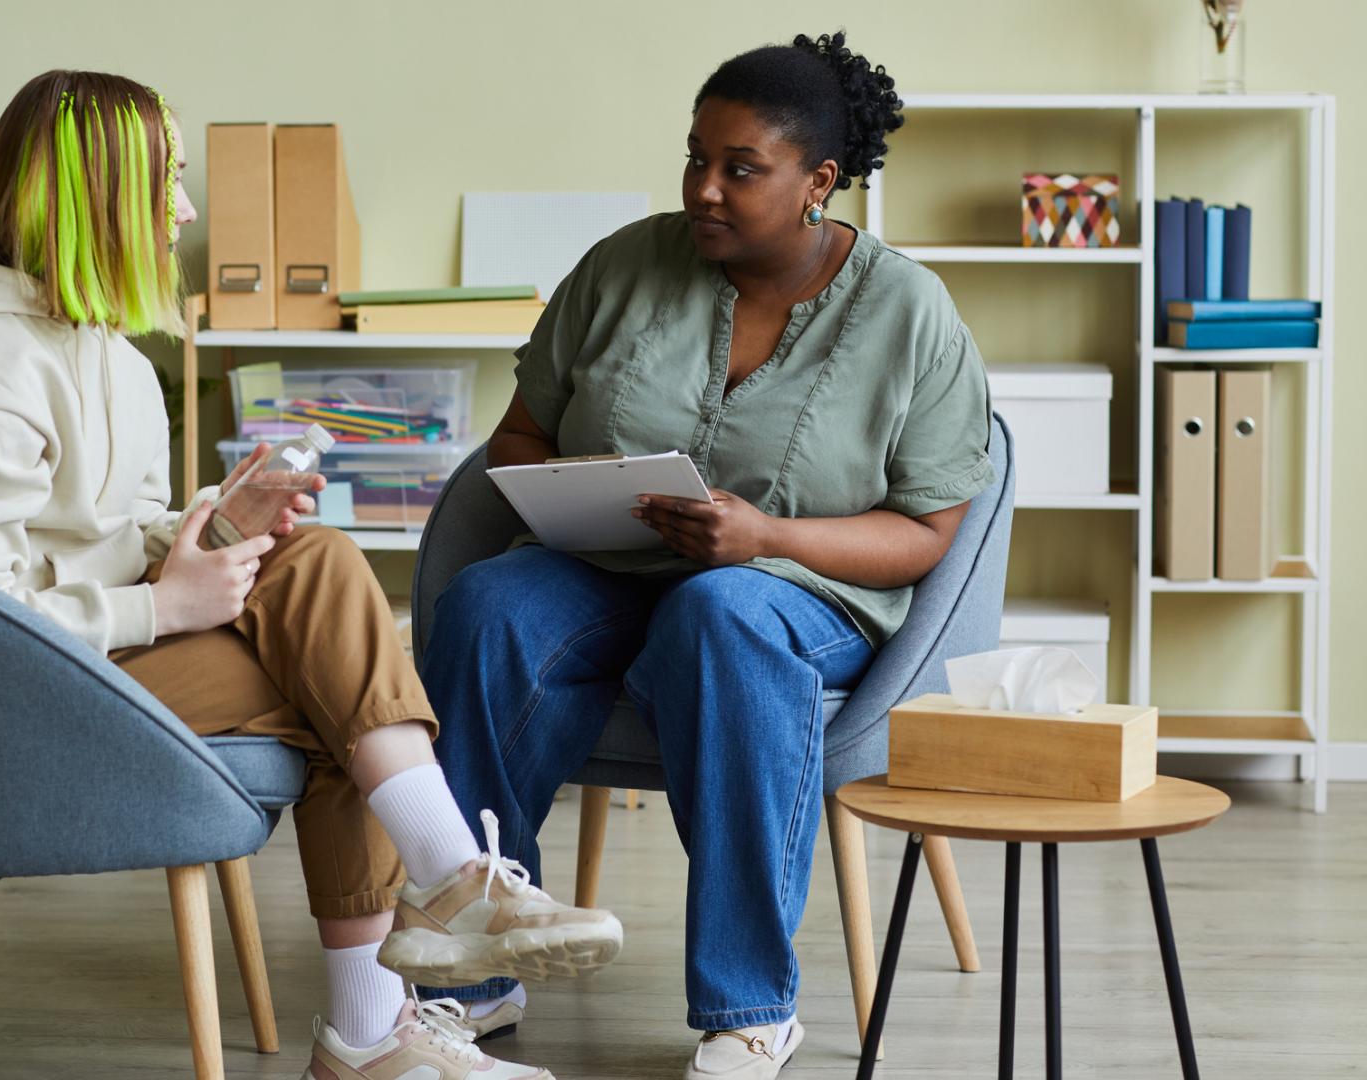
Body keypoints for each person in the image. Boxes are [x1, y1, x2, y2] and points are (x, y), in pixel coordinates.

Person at [0, 69, 620, 1080]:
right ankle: (405, 972)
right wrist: (164, 602)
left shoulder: (102, 349)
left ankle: (413, 957)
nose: (188, 211)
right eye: (166, 183)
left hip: (87, 655)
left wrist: (197, 534)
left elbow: (91, 533)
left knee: (324, 595)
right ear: (96, 197)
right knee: (341, 682)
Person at [418, 33, 994, 1080]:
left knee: (720, 614)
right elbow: (519, 436)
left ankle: (750, 1008)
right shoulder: (622, 267)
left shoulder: (910, 311)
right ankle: (474, 967)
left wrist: (763, 537)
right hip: (610, 567)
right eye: (695, 158)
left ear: (820, 181)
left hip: (801, 592)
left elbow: (929, 532)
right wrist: (567, 505)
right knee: (486, 605)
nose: (705, 189)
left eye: (741, 169)